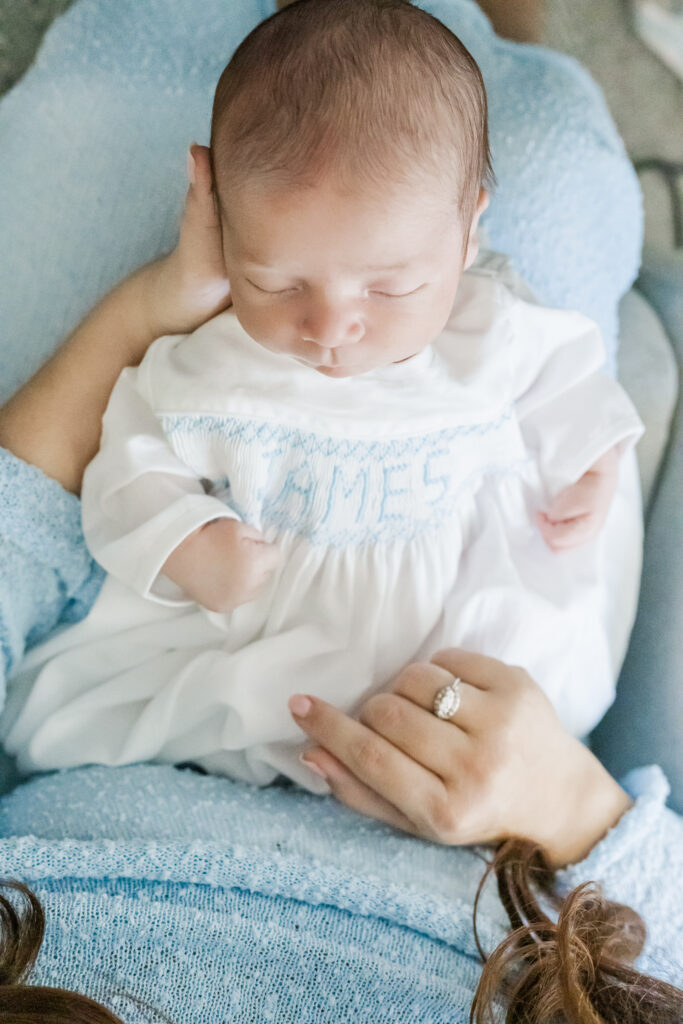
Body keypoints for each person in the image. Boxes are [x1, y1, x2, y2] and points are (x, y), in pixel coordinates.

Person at [0, 1, 681, 1021]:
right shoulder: (213, 360)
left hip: (449, 661)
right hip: (257, 703)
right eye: (275, 279)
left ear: (468, 232)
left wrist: (590, 453)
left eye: (392, 285)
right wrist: (186, 539)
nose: (329, 327)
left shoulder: (492, 319)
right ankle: (511, 25)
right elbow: (132, 458)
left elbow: (568, 378)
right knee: (560, 145)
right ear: (228, 229)